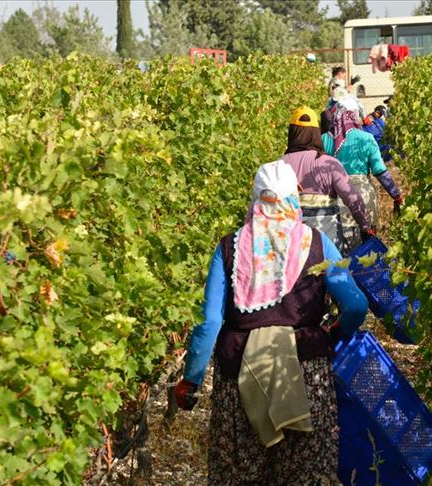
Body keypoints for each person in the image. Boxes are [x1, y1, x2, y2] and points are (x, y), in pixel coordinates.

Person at [171, 160, 369, 485]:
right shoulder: (318, 244)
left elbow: (210, 321)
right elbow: (356, 305)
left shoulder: (229, 248)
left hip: (240, 376)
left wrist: (191, 380)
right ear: (294, 197)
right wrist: (335, 332)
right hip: (305, 374)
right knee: (305, 474)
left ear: (255, 198)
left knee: (240, 473)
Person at [282, 106, 373, 254]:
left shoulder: (279, 166)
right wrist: (365, 227)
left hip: (291, 246)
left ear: (292, 133)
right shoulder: (329, 164)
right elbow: (352, 198)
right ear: (316, 133)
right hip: (328, 243)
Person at [323, 104, 403, 250]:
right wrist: (396, 195)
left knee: (342, 250)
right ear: (355, 117)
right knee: (367, 249)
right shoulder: (366, 138)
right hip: (364, 198)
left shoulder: (325, 140)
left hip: (337, 200)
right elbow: (380, 171)